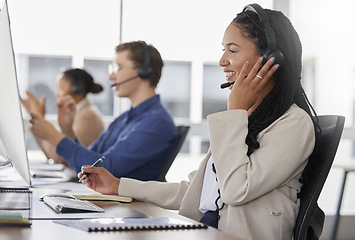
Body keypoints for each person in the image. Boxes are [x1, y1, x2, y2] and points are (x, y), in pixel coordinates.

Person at [77, 4, 321, 240]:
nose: (222, 60)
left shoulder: (293, 124)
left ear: (270, 58)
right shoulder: (247, 120)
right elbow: (193, 191)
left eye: (232, 50)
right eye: (223, 49)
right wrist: (118, 186)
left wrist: (234, 112)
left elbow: (236, 189)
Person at [29, 41, 177, 181]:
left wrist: (53, 135)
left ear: (144, 71)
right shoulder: (126, 118)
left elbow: (105, 170)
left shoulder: (156, 122)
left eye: (118, 68)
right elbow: (92, 157)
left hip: (128, 206)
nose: (111, 76)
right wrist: (67, 128)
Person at [21, 68, 105, 164]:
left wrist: (39, 118)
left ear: (77, 88)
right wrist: (37, 119)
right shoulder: (78, 113)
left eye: (61, 89)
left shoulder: (87, 116)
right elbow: (50, 155)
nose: (57, 95)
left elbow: (59, 159)